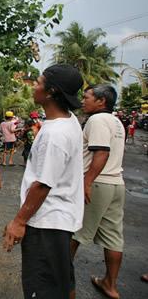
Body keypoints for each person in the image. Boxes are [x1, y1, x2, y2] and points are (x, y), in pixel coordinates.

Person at [4, 64, 84, 299]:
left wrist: (19, 221)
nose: (34, 87)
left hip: (46, 224)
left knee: (43, 289)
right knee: (62, 283)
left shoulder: (55, 134)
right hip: (60, 221)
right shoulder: (68, 122)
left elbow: (43, 184)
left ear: (50, 92)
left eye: (38, 83)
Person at [70, 84, 125, 299]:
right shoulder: (116, 122)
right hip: (115, 183)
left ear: (101, 101)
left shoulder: (97, 120)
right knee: (113, 237)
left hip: (98, 183)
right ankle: (109, 284)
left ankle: (58, 278)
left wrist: (86, 182)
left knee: (74, 232)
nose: (83, 100)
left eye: (87, 97)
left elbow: (101, 152)